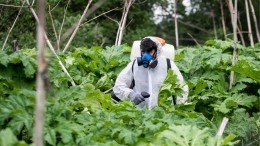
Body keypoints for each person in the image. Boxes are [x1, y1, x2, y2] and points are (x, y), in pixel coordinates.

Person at [112, 36, 189, 109]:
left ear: (156, 51)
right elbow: (119, 85)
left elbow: (182, 88)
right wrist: (130, 94)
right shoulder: (134, 65)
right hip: (139, 113)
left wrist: (179, 106)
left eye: (150, 52)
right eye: (143, 52)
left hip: (164, 113)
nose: (145, 55)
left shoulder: (168, 64)